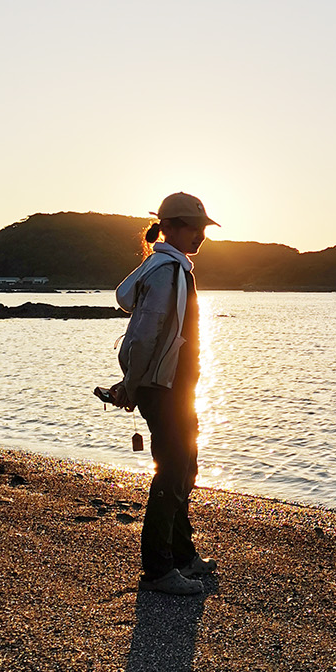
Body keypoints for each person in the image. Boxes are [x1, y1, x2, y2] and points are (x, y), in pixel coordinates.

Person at [106, 192, 219, 596]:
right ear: (169, 227)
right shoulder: (168, 271)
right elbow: (144, 334)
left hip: (174, 386)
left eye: (203, 228)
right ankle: (158, 570)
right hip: (164, 388)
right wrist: (132, 384)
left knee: (183, 468)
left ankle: (183, 555)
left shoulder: (172, 268)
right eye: (193, 227)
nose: (200, 235)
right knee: (172, 471)